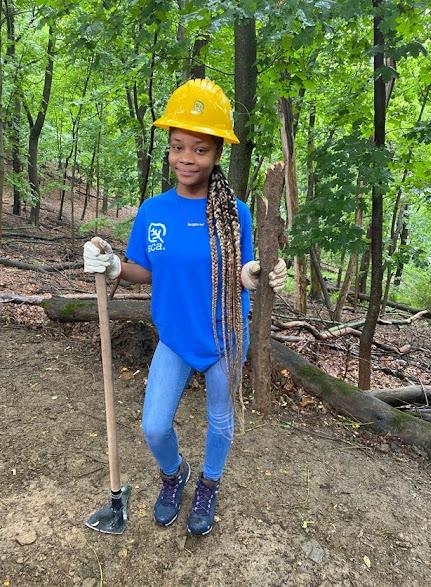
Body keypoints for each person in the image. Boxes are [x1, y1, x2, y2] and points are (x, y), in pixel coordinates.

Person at [83, 78, 287, 536]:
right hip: (175, 333)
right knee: (154, 426)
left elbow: (245, 269)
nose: (185, 159)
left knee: (220, 419)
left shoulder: (235, 212)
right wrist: (113, 264)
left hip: (225, 335)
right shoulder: (154, 210)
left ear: (216, 153)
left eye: (198, 149)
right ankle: (175, 475)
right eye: (178, 147)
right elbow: (145, 269)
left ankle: (209, 484)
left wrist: (259, 274)